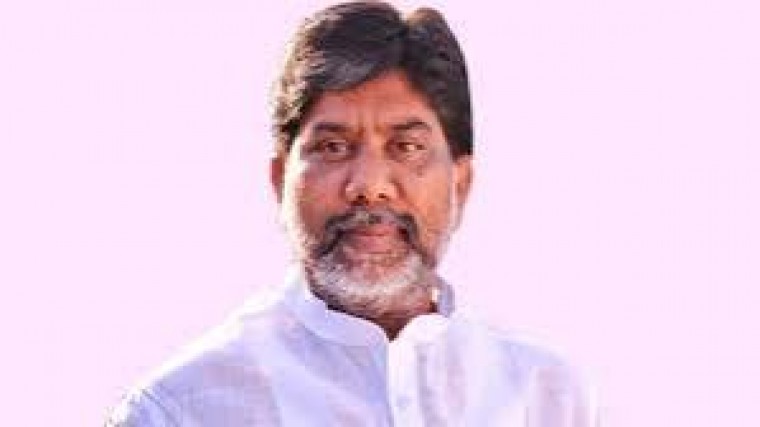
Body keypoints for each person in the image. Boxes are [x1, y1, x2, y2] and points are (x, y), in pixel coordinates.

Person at [107, 2, 596, 425]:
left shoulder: (545, 395)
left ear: (461, 183)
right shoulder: (180, 408)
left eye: (406, 147)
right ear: (279, 180)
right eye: (333, 147)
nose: (369, 186)